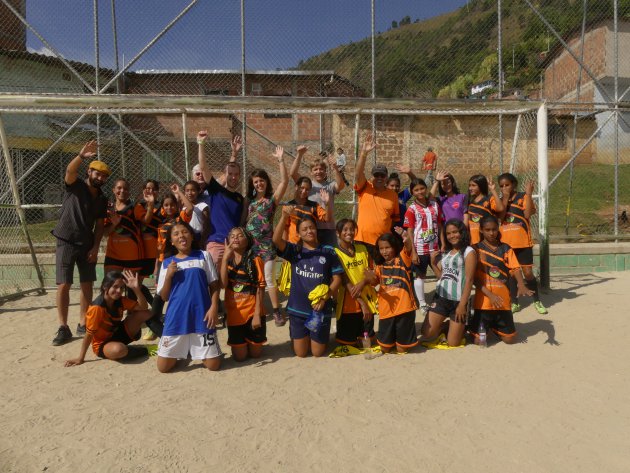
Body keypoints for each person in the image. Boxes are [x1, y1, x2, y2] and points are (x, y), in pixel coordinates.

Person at [52, 140, 109, 346]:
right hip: (66, 240)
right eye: (97, 173)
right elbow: (69, 170)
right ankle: (63, 327)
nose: (100, 177)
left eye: (103, 176)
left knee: (87, 285)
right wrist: (80, 155)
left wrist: (95, 247)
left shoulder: (103, 199)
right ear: (89, 173)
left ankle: (83, 322)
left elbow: (101, 226)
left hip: (86, 245)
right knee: (64, 284)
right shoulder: (75, 186)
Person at [272, 207, 343, 358]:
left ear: (316, 230)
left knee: (317, 353)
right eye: (304, 229)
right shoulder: (294, 251)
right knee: (301, 353)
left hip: (319, 308)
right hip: (298, 309)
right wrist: (284, 217)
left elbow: (337, 278)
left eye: (311, 227)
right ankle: (299, 334)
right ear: (298, 233)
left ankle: (316, 334)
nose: (309, 231)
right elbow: (276, 240)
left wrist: (325, 297)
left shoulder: (329, 251)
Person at [156, 221, 222, 373]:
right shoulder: (166, 263)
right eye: (176, 234)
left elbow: (214, 285)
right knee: (163, 368)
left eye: (185, 232)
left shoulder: (203, 255)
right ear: (171, 241)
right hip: (176, 317)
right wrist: (168, 277)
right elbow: (164, 297)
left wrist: (214, 308)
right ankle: (185, 353)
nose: (181, 236)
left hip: (202, 316)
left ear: (192, 236)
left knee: (214, 366)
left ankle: (192, 350)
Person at [64, 270, 153, 366]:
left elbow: (143, 307)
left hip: (117, 333)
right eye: (115, 287)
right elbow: (89, 334)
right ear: (105, 287)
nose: (119, 291)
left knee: (145, 313)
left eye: (121, 288)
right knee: (119, 350)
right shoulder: (97, 308)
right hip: (102, 344)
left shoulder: (120, 300)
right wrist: (80, 358)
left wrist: (136, 289)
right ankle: (145, 350)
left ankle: (165, 338)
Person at [243, 146, 289, 327]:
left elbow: (284, 182)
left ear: (266, 182)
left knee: (269, 278)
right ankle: (255, 310)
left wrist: (280, 160)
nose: (258, 184)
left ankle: (277, 311)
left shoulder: (271, 201)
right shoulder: (250, 202)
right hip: (251, 246)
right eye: (255, 182)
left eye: (261, 181)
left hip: (267, 245)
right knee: (254, 278)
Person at [469, 215, 533, 344]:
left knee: (510, 340)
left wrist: (521, 284)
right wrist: (490, 295)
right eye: (488, 230)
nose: (492, 233)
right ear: (481, 230)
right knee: (479, 341)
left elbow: (515, 268)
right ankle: (477, 323)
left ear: (498, 229)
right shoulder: (475, 249)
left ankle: (494, 326)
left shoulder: (505, 248)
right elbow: (474, 278)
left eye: (494, 229)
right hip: (484, 302)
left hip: (502, 301)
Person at [498, 173, 548, 315]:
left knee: (527, 273)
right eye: (501, 186)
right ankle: (514, 302)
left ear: (514, 184)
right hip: (507, 244)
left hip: (523, 243)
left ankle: (536, 300)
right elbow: (500, 217)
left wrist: (529, 194)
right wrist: (505, 198)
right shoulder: (500, 201)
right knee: (512, 273)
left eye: (507, 185)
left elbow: (526, 214)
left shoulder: (523, 197)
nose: (504, 188)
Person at [421, 219, 476, 347]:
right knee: (426, 333)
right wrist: (434, 263)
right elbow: (441, 276)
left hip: (459, 301)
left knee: (453, 343)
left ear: (462, 232)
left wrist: (462, 305)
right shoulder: (446, 253)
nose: (452, 236)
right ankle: (449, 325)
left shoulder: (469, 252)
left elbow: (469, 280)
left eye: (455, 232)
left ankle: (461, 322)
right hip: (441, 298)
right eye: (448, 233)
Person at [364, 231, 418, 354]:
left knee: (401, 350)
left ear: (394, 247)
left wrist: (405, 235)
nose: (384, 251)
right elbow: (374, 282)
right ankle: (392, 338)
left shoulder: (403, 258)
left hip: (404, 310)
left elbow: (408, 246)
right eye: (381, 248)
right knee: (385, 348)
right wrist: (369, 276)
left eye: (387, 247)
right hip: (386, 311)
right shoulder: (379, 266)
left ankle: (399, 340)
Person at [197, 130, 244, 271]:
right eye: (230, 174)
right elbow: (203, 166)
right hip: (216, 244)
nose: (233, 177)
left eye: (236, 174)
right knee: (213, 285)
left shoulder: (240, 199)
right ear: (225, 175)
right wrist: (201, 143)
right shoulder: (216, 190)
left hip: (234, 246)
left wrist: (235, 154)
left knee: (232, 286)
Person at [220, 227, 266, 361]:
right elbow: (223, 285)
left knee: (256, 354)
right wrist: (224, 259)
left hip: (252, 312)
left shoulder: (255, 260)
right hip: (234, 313)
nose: (235, 238)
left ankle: (251, 341)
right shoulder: (227, 260)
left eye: (240, 236)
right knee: (240, 357)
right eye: (232, 235)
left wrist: (257, 314)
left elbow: (260, 288)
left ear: (248, 240)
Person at [289, 145, 346, 246]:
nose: (318, 171)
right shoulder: (308, 185)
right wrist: (300, 154)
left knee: (330, 254)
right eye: (315, 169)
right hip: (311, 227)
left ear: (325, 171)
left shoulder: (330, 185)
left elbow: (340, 185)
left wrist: (336, 169)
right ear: (311, 172)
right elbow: (293, 173)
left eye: (321, 169)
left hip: (328, 227)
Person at [354, 133, 400, 258]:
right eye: (376, 175)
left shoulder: (392, 195)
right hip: (362, 239)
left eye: (382, 175)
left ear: (386, 177)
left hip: (383, 243)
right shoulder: (365, 188)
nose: (379, 178)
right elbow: (358, 174)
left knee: (381, 274)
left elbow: (394, 219)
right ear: (372, 176)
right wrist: (364, 153)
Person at [333, 218, 378, 346]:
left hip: (367, 298)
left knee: (368, 342)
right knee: (347, 345)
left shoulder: (362, 249)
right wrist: (362, 304)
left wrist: (363, 282)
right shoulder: (335, 253)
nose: (349, 232)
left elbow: (371, 275)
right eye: (345, 230)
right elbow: (344, 281)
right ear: (338, 233)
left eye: (352, 229)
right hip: (348, 304)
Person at [404, 178, 443, 312]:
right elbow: (410, 230)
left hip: (435, 247)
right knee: (420, 275)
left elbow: (439, 225)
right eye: (416, 190)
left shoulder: (434, 205)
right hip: (420, 248)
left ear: (426, 189)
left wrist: (442, 243)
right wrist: (413, 252)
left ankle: (439, 300)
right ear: (412, 192)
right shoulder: (412, 209)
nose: (420, 192)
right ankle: (422, 303)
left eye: (422, 188)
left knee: (442, 274)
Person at [103, 178, 143, 274]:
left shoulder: (135, 207)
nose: (122, 191)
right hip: (113, 255)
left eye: (125, 189)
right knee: (109, 286)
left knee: (132, 288)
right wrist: (114, 224)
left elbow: (145, 221)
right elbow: (105, 233)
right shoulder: (109, 208)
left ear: (129, 191)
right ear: (113, 190)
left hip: (132, 254)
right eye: (119, 188)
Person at [284, 176, 330, 244]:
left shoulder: (314, 206)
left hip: (310, 244)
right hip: (294, 244)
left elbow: (326, 219)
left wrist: (327, 204)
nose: (304, 191)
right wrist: (285, 244)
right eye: (302, 188)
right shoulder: (288, 205)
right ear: (296, 187)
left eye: (307, 189)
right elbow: (285, 227)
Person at [134, 179, 162, 281]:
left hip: (157, 250)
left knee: (157, 279)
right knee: (138, 279)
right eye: (148, 188)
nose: (151, 191)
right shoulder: (138, 205)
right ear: (143, 191)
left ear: (158, 191)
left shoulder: (163, 205)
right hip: (141, 250)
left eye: (154, 189)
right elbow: (146, 220)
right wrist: (150, 204)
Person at [467, 174, 504, 245]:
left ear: (481, 186)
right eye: (469, 185)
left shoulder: (489, 199)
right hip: (473, 242)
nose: (470, 188)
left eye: (473, 185)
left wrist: (492, 190)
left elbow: (500, 208)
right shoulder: (470, 202)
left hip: (485, 242)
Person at [183, 180, 209, 246]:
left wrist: (202, 240)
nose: (190, 193)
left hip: (198, 237)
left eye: (193, 190)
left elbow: (207, 225)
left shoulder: (203, 206)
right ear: (184, 192)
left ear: (198, 191)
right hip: (186, 237)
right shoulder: (183, 208)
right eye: (187, 190)